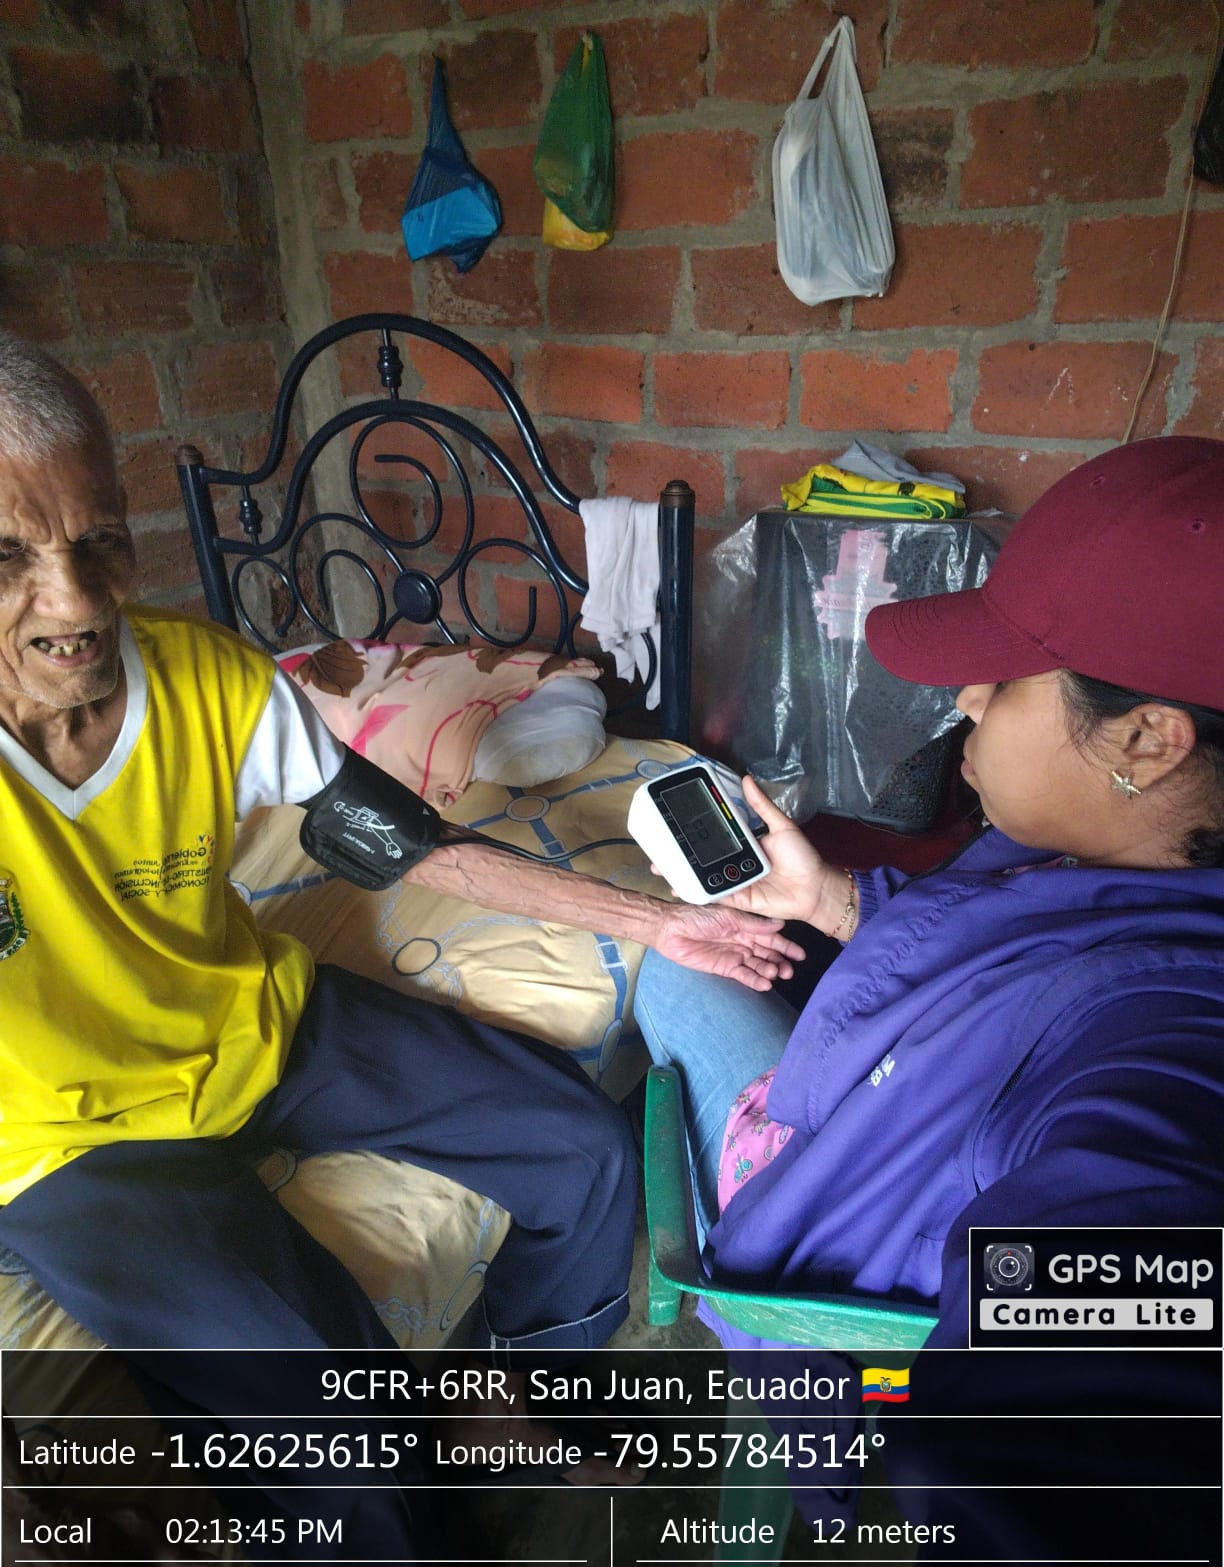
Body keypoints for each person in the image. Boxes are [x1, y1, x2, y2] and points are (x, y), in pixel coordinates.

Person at [0, 332, 800, 1553]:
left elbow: (408, 843)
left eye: (100, 542)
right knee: (337, 1414)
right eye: (8, 557)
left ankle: (518, 1398)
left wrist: (665, 923)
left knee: (581, 1152)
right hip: (67, 1138)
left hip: (254, 1025)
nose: (75, 604)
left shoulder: (206, 680)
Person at [634, 434, 1224, 1551]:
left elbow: (1114, 1375)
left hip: (814, 1245)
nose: (964, 696)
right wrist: (832, 900)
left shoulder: (1169, 1033)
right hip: (865, 1114)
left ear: (1148, 738)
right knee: (712, 947)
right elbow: (1008, 946)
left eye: (1003, 680)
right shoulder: (1116, 861)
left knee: (671, 965)